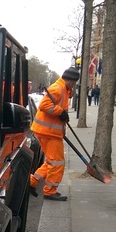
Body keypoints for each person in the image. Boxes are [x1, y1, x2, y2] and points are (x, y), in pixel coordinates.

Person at [29, 67, 80, 202]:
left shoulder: (63, 89)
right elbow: (44, 105)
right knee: (57, 163)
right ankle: (50, 191)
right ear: (70, 80)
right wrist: (60, 112)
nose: (73, 86)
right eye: (73, 83)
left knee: (52, 162)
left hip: (49, 131)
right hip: (48, 132)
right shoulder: (57, 88)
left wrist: (62, 114)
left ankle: (31, 182)